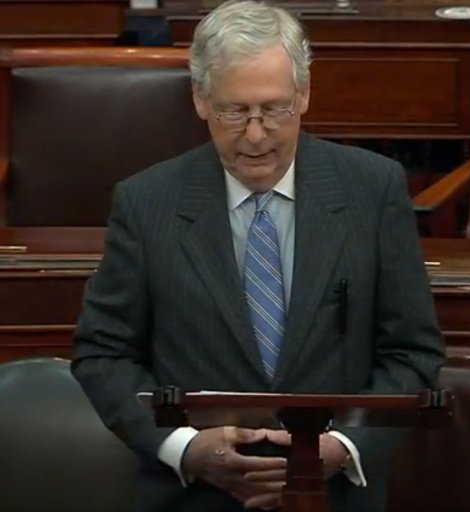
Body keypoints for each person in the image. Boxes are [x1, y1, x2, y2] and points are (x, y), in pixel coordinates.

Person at [72, 1, 445, 511]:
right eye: (233, 110)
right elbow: (103, 353)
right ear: (201, 99)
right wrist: (186, 448)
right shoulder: (146, 203)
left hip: (334, 497)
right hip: (195, 498)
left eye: (274, 109)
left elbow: (413, 352)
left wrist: (341, 447)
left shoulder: (373, 190)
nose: (254, 134)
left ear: (305, 94)